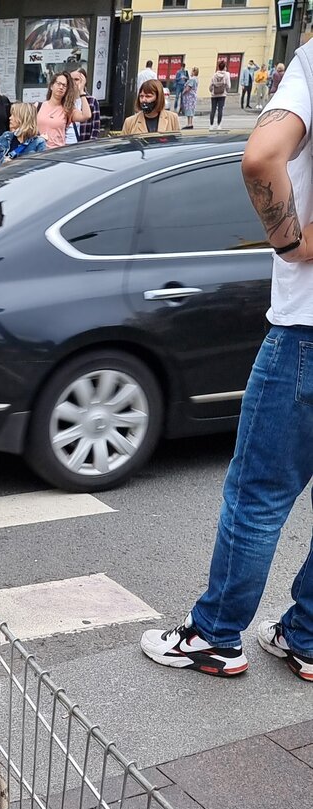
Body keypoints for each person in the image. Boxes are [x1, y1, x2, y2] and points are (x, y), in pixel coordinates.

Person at [140, 49, 313, 684]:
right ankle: (308, 634)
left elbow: (261, 156)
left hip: (307, 330)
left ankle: (215, 636)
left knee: (258, 494)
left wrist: (292, 241)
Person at [36, 72, 91, 149]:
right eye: (59, 84)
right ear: (51, 86)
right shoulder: (38, 106)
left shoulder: (67, 109)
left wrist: (81, 91)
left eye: (64, 86)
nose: (61, 87)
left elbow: (86, 115)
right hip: (38, 152)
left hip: (56, 152)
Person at [0, 101, 46, 165]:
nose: (10, 118)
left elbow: (40, 167)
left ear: (22, 118)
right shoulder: (7, 136)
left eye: (13, 115)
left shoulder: (39, 142)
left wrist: (15, 164)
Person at [70, 67, 100, 141]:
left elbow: (95, 128)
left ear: (84, 81)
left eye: (76, 79)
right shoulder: (65, 101)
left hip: (84, 144)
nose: (73, 82)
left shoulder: (92, 101)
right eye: (70, 80)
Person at [209, 59, 231, 127]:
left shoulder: (214, 75)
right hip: (222, 94)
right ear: (224, 67)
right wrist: (226, 90)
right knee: (220, 109)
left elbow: (210, 85)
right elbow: (228, 85)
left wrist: (211, 91)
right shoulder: (227, 75)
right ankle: (219, 125)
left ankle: (211, 125)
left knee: (213, 109)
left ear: (218, 67)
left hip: (214, 94)